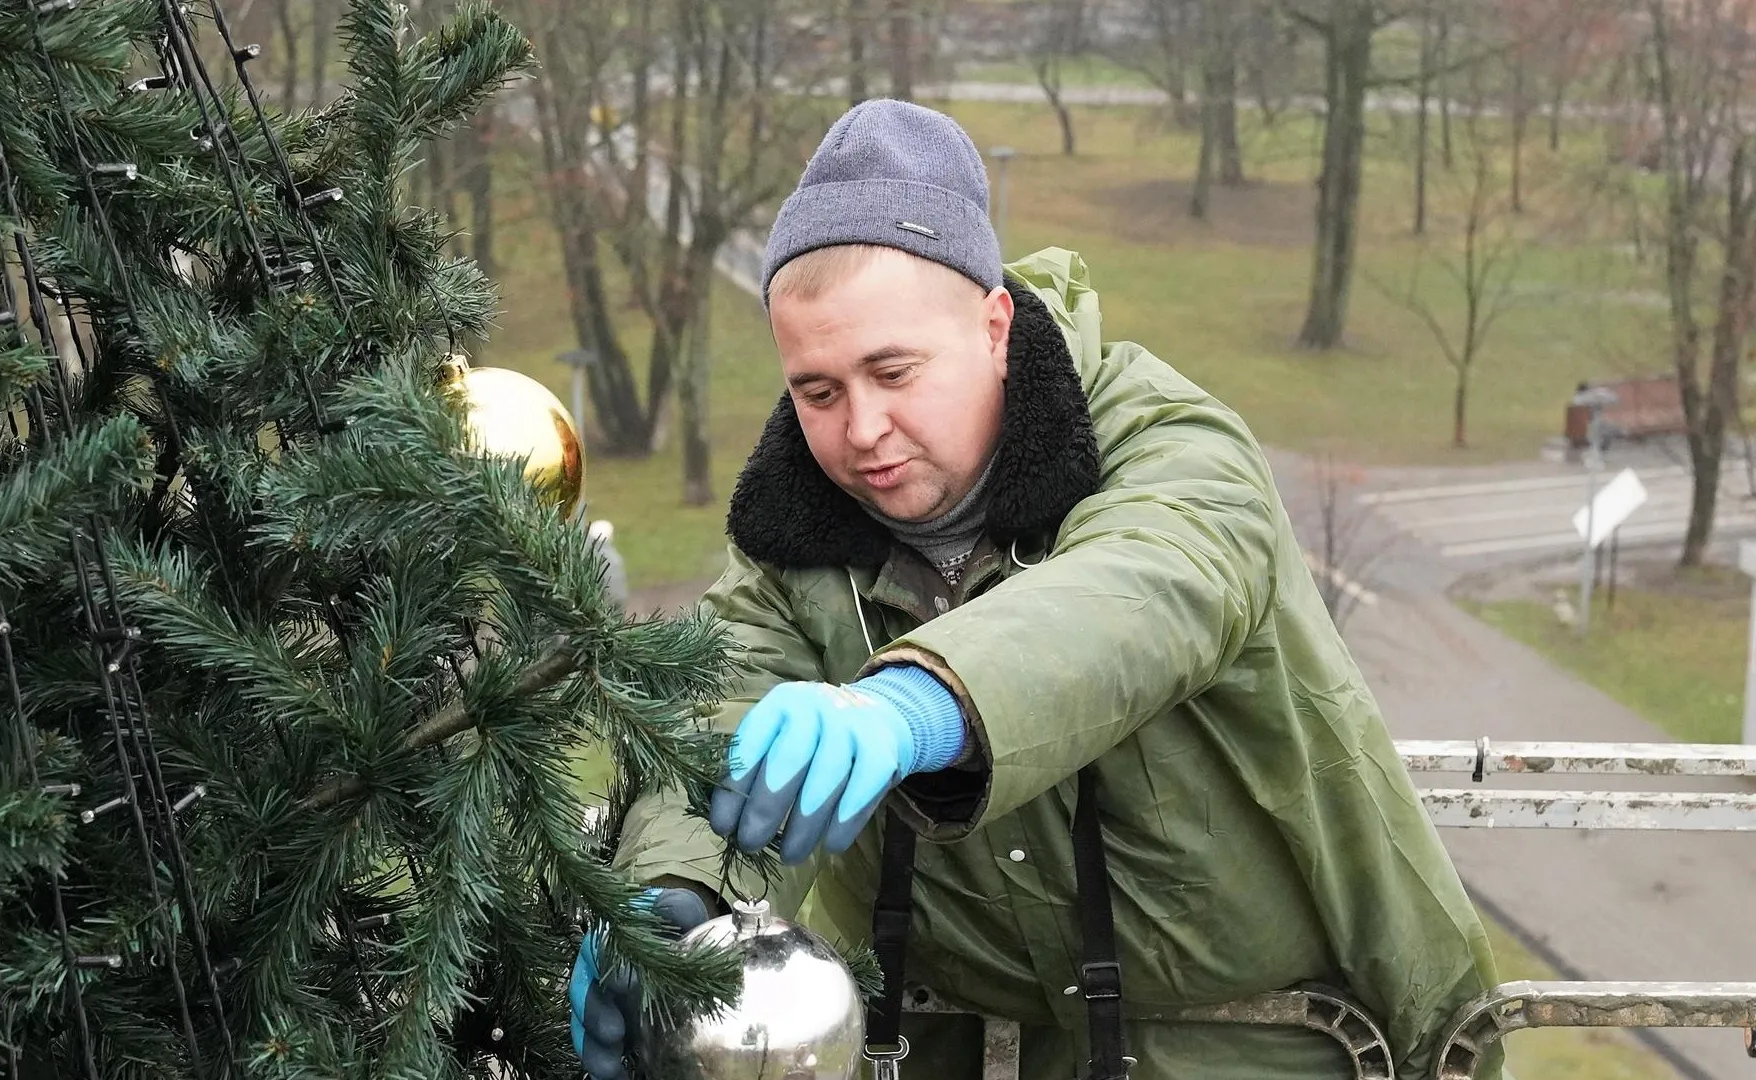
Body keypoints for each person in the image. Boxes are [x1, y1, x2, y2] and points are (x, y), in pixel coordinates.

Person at [571, 98, 1505, 1080]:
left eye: (895, 372)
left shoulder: (1169, 444)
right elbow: (721, 720)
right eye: (819, 391)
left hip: (1258, 1042)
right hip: (944, 1045)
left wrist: (913, 707)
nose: (862, 430)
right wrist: (672, 906)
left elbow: (1139, 595)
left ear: (995, 327)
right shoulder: (788, 534)